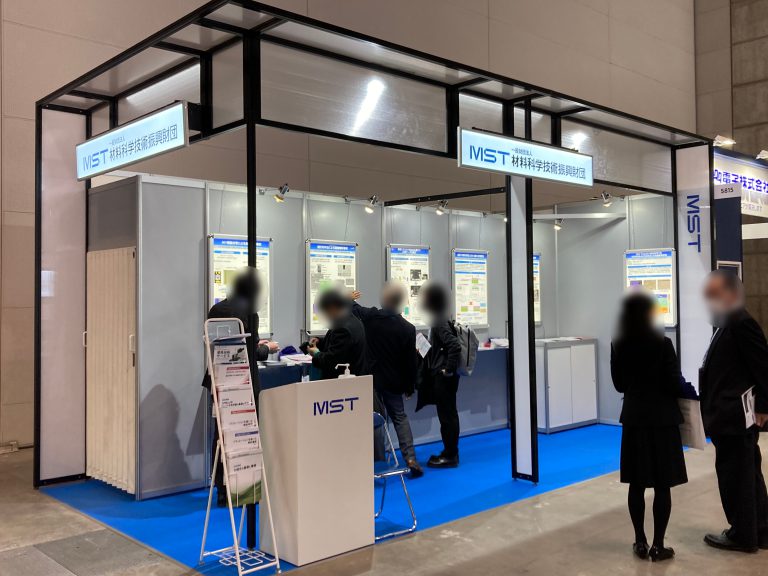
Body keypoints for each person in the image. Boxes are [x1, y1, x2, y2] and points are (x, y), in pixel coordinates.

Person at [610, 292, 688, 562]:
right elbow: (674, 382)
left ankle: (640, 541)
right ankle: (658, 545)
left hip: (634, 421)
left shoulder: (618, 344)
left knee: (637, 483)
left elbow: (619, 385)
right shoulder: (663, 344)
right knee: (662, 485)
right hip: (663, 421)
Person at [699, 270, 768, 553]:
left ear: (731, 293)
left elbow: (763, 366)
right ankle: (759, 530)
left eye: (714, 293)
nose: (709, 299)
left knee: (736, 477)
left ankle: (742, 535)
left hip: (735, 417)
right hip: (728, 415)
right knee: (747, 474)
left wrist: (763, 406)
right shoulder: (727, 322)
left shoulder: (741, 322)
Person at [202, 267, 278, 506]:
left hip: (219, 380)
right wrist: (267, 348)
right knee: (244, 435)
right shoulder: (249, 314)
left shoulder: (217, 309)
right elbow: (249, 352)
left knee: (222, 434)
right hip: (243, 383)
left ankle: (222, 488)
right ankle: (243, 488)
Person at [351, 284, 423, 478]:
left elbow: (353, 308)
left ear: (384, 300)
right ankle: (410, 459)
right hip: (394, 382)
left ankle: (374, 460)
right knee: (399, 417)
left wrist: (349, 298)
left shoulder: (371, 317)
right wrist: (410, 387)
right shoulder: (408, 328)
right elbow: (410, 362)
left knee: (373, 418)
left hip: (372, 381)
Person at [417, 282, 462, 468]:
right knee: (448, 415)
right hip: (444, 377)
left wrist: (447, 370)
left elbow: (454, 346)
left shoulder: (439, 321)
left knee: (447, 416)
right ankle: (450, 451)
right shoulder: (439, 318)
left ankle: (450, 455)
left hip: (444, 378)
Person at [307, 288, 367, 380]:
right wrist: (319, 341)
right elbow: (339, 345)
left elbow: (330, 362)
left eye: (325, 311)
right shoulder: (351, 319)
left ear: (332, 308)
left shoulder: (343, 329)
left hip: (342, 383)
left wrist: (316, 353)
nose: (326, 315)